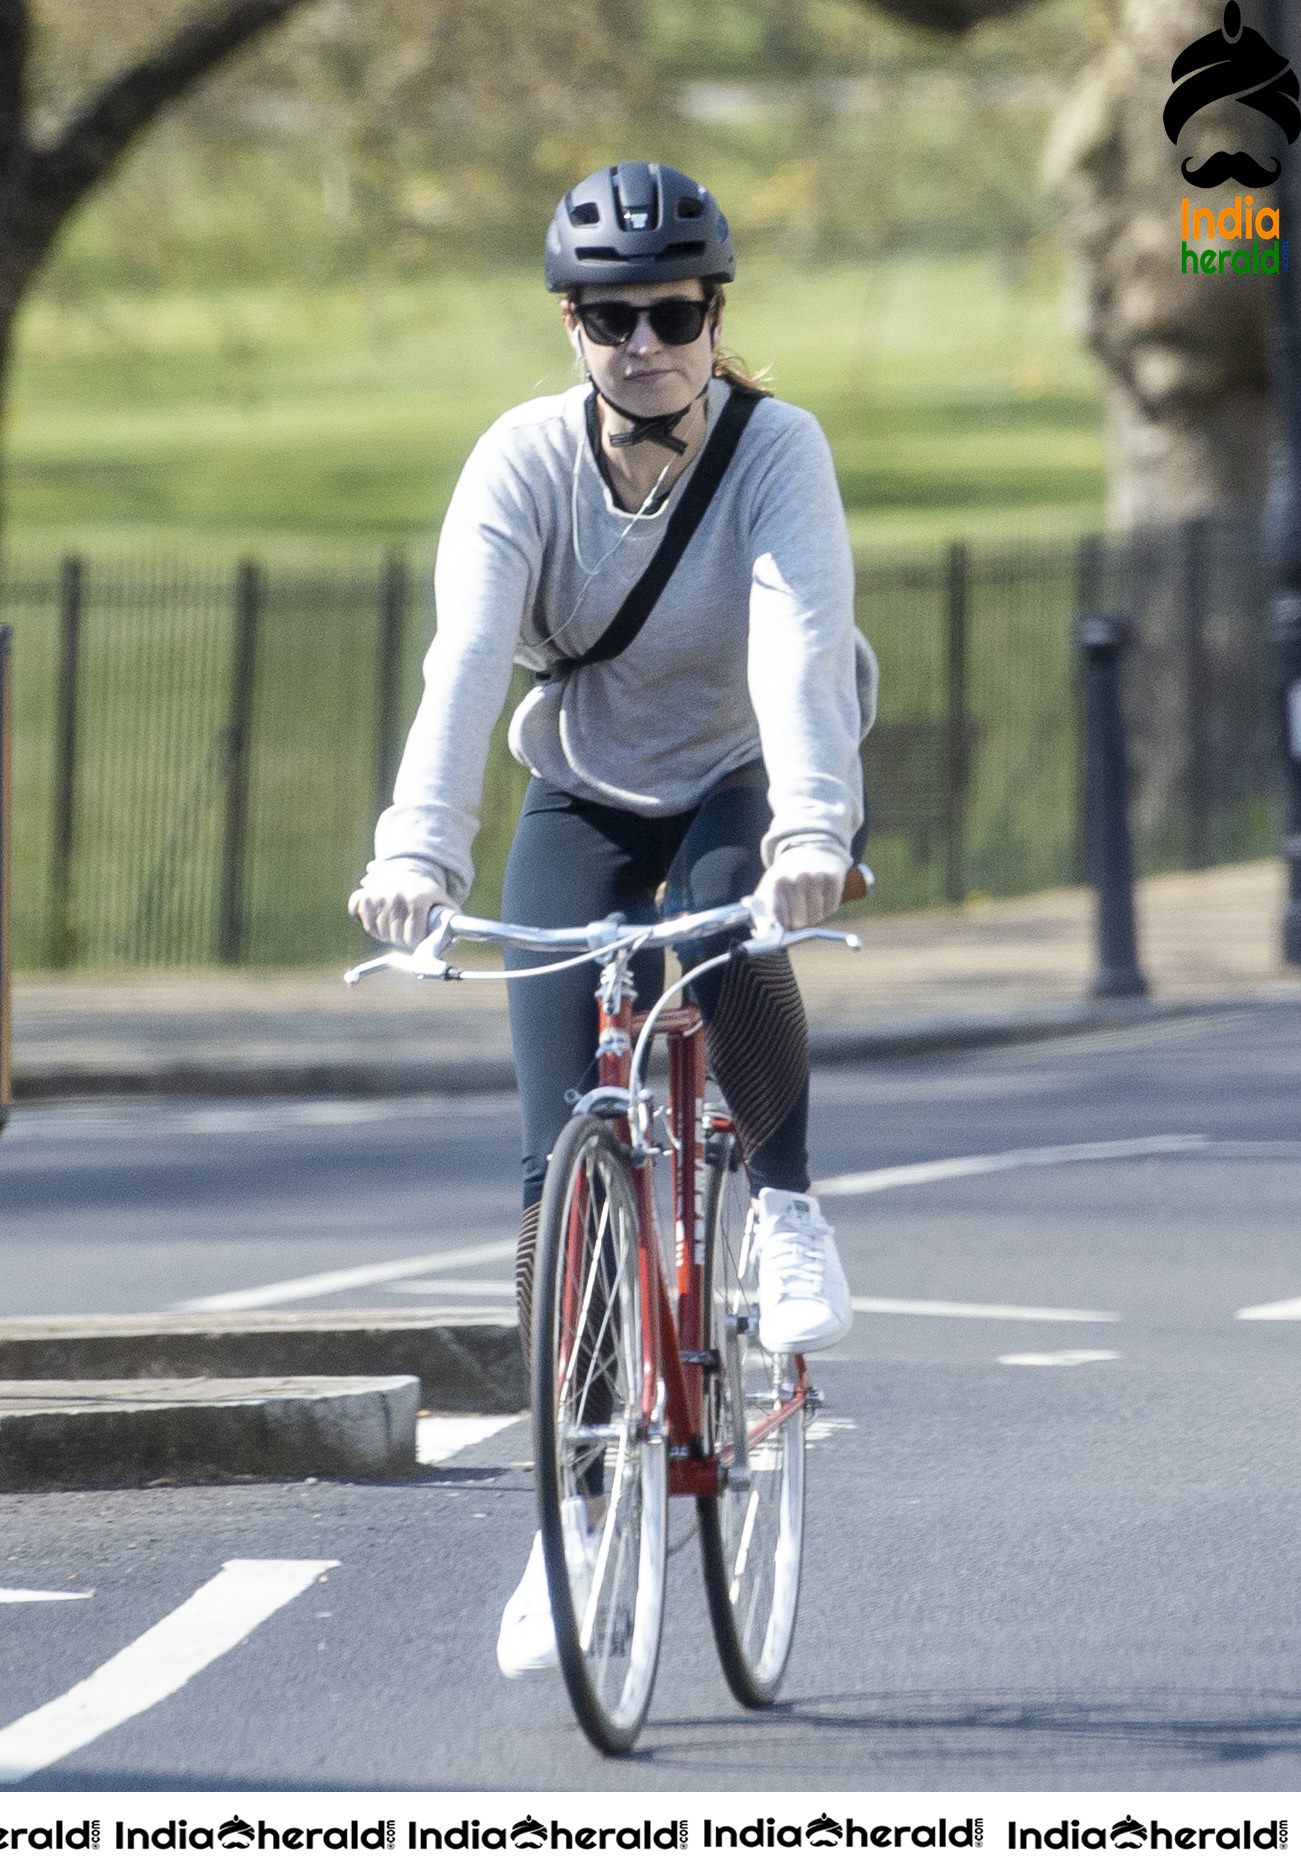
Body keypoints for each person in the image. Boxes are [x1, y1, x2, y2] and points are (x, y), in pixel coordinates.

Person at [349, 160, 878, 1678]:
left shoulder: (779, 452)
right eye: (605, 317)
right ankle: (572, 1518)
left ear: (715, 317)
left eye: (668, 313)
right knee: (548, 1152)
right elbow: (462, 663)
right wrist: (416, 856)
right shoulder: (519, 462)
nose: (639, 344)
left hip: (745, 778)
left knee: (724, 925)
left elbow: (796, 641)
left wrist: (810, 833)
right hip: (581, 792)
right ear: (569, 325)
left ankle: (782, 1205)